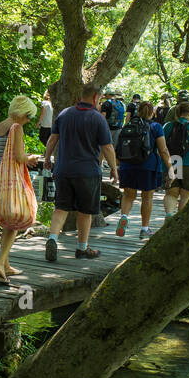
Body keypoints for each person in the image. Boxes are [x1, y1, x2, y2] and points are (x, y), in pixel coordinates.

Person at [43, 81, 117, 261]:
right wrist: (114, 169)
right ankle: (82, 248)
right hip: (87, 172)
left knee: (61, 207)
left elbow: (52, 139)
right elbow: (107, 147)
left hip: (63, 170)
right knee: (85, 211)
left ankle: (52, 238)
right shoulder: (97, 118)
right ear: (95, 97)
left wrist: (47, 158)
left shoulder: (64, 114)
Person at [0, 95, 38, 283]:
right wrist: (30, 158)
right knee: (15, 222)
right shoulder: (16, 127)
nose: (28, 120)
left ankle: (7, 265)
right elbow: (18, 156)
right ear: (22, 113)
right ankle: (1, 263)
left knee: (7, 223)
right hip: (9, 181)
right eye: (28, 116)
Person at [115, 100, 171, 239]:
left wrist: (116, 166)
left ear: (138, 111)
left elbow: (119, 147)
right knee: (147, 197)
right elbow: (163, 150)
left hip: (127, 165)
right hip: (148, 166)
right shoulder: (156, 127)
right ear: (153, 113)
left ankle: (124, 216)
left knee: (128, 195)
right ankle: (144, 228)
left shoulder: (128, 125)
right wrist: (170, 168)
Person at [101, 91, 126, 176]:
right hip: (118, 129)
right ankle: (113, 167)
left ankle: (100, 166)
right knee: (113, 149)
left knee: (102, 148)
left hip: (108, 129)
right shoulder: (121, 104)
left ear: (108, 95)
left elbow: (103, 117)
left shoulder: (106, 104)